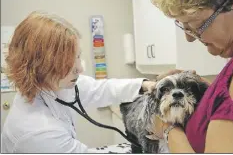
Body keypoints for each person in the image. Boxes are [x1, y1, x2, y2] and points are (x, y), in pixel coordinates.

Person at [1, 11, 156, 153]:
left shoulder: (53, 84)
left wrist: (144, 85)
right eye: (68, 63)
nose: (80, 69)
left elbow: (99, 89)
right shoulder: (37, 132)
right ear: (40, 66)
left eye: (77, 57)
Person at [150, 0, 233, 153]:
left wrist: (168, 129)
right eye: (183, 26)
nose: (189, 38)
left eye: (195, 24)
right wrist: (210, 90)